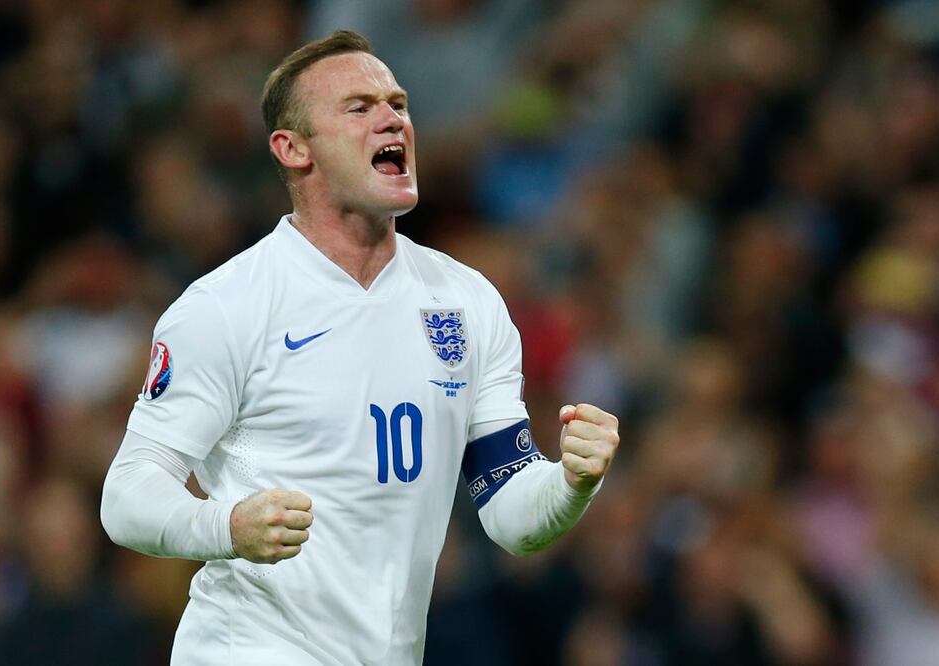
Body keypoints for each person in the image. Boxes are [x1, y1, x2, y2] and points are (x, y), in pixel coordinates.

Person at [100, 29, 621, 666]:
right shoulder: (227, 306)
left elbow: (512, 516)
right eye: (359, 106)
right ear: (293, 149)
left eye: (398, 104)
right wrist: (226, 527)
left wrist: (570, 483)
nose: (391, 118)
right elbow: (127, 494)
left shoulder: (466, 303)